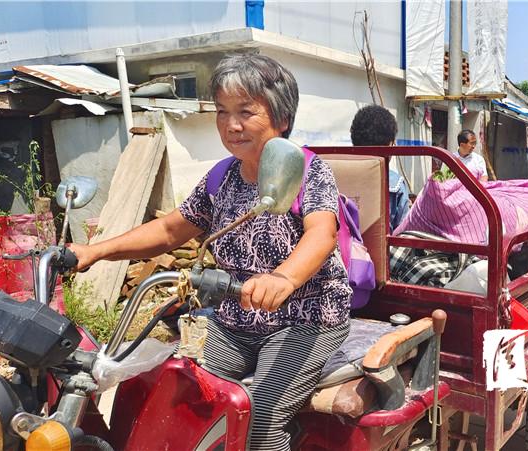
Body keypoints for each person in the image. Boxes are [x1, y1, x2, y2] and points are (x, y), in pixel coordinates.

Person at [70, 54, 351, 451]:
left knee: (262, 417)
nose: (231, 125)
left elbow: (321, 233)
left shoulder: (306, 169)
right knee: (173, 386)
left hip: (305, 319)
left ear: (282, 117)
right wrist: (96, 252)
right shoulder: (223, 176)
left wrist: (282, 278)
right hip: (234, 320)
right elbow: (170, 229)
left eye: (245, 112)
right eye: (222, 112)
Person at [349, 104, 410, 229]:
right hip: (383, 242)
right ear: (390, 145)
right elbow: (403, 230)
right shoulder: (395, 184)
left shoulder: (331, 175)